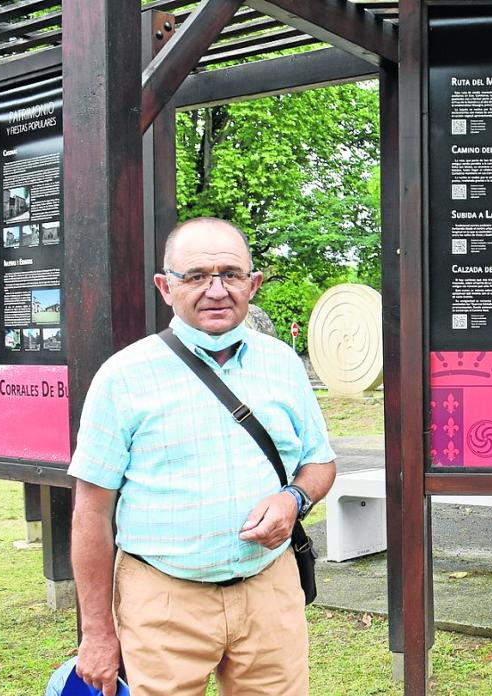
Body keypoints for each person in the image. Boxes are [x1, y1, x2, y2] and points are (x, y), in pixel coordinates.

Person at [68, 217, 337, 696]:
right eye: (195, 276)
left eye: (230, 274)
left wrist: (294, 498)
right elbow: (91, 513)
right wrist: (97, 632)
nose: (216, 290)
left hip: (268, 590)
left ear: (252, 284)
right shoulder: (123, 377)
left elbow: (320, 462)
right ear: (165, 287)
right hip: (163, 597)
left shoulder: (282, 364)